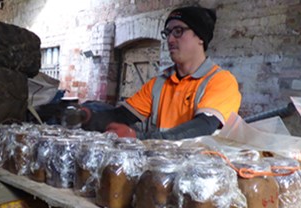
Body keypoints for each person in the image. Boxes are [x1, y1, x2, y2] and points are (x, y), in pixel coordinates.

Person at [71, 6, 242, 140]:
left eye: (178, 31)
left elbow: (202, 128)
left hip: (200, 174)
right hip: (161, 168)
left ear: (201, 38)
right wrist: (87, 116)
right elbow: (122, 115)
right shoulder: (160, 83)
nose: (170, 39)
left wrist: (138, 138)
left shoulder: (221, 81)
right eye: (167, 33)